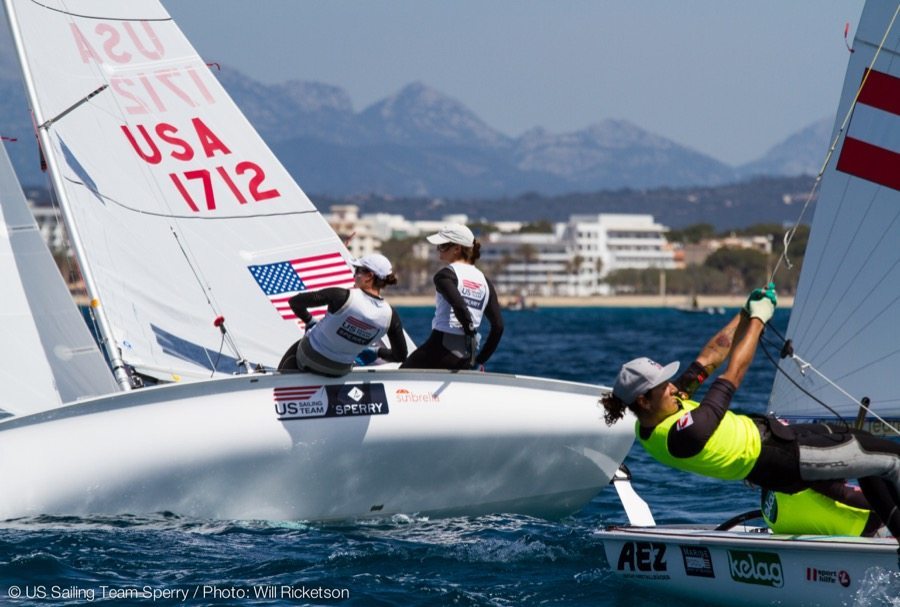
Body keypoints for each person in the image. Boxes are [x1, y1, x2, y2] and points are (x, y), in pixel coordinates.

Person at [601, 284, 900, 549]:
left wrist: (743, 313)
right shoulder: (683, 435)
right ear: (643, 399)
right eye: (663, 385)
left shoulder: (657, 412)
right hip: (783, 459)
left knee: (866, 444)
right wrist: (758, 321)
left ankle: (889, 524)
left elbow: (710, 357)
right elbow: (733, 373)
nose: (672, 386)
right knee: (891, 461)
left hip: (781, 436)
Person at [277, 253, 407, 376]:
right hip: (340, 370)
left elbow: (294, 302)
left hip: (310, 358)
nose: (353, 276)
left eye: (357, 271)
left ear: (369, 276)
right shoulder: (390, 316)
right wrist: (378, 351)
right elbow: (400, 356)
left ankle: (278, 383)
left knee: (301, 343)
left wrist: (309, 321)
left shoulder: (342, 296)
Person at [401, 223, 503, 370]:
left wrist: (470, 332)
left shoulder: (445, 276)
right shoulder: (485, 281)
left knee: (403, 377)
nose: (438, 249)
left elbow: (460, 306)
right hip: (466, 359)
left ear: (457, 248)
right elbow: (498, 327)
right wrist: (479, 360)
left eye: (442, 245)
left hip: (438, 351)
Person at [761, 485, 884, 537]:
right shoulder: (799, 463)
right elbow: (844, 494)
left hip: (787, 527)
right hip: (862, 525)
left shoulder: (765, 475)